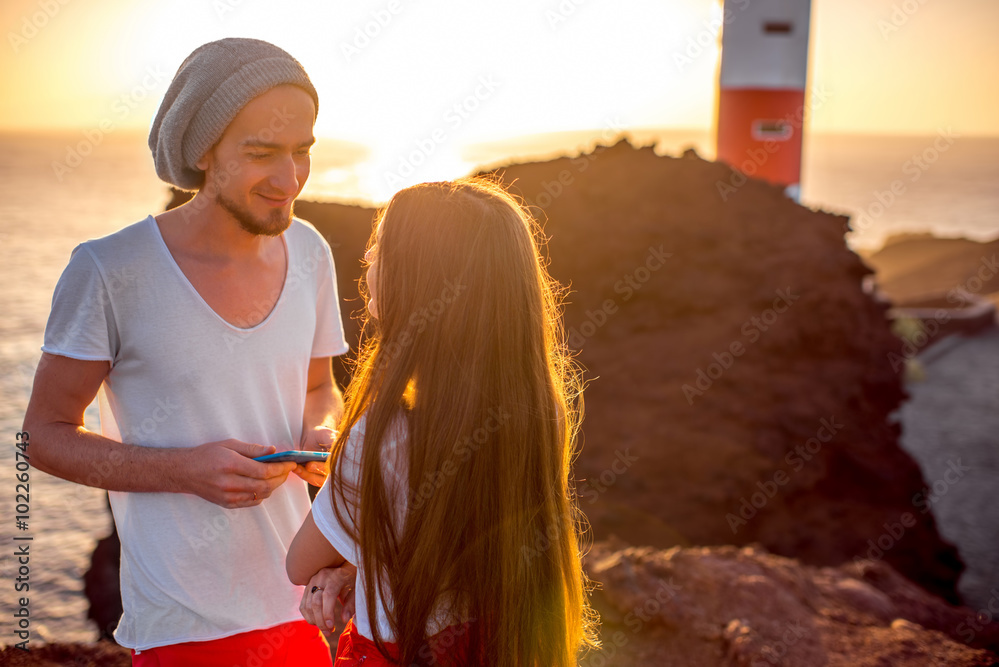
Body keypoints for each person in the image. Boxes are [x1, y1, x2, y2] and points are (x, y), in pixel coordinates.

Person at [23, 38, 348, 666]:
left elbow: (318, 386)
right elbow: (40, 436)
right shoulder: (109, 270)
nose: (290, 180)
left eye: (303, 151)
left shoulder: (312, 254)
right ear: (202, 152)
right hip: (182, 630)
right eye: (262, 154)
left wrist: (320, 431)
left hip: (299, 610)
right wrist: (184, 471)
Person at [286, 179, 601, 666]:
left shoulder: (381, 434)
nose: (368, 260)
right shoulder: (543, 411)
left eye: (383, 248)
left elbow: (299, 564)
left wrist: (351, 478)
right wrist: (360, 560)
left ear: (422, 284)